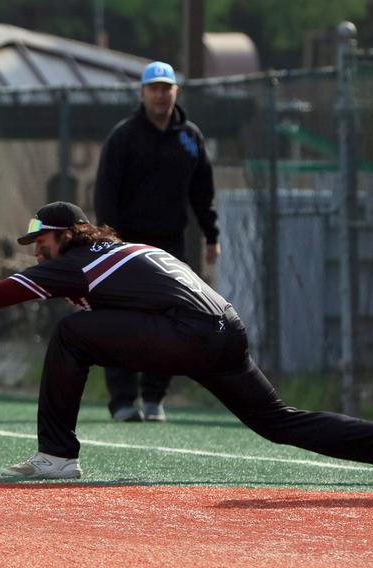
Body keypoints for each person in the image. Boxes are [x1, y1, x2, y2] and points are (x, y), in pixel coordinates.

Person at [0, 201, 373, 483]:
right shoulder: (132, 250)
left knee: (70, 334)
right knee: (279, 422)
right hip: (225, 328)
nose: (37, 251)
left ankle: (57, 456)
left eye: (41, 240)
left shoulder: (76, 264)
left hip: (190, 334)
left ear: (66, 236)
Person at [93, 61, 221, 423]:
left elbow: (202, 192)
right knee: (122, 320)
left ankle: (153, 398)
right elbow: (106, 192)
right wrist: (109, 241)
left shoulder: (189, 137)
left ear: (175, 92)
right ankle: (122, 400)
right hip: (126, 246)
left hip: (170, 245)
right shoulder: (124, 136)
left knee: (169, 321)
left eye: (167, 88)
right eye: (154, 88)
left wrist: (212, 235)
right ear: (143, 93)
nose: (160, 95)